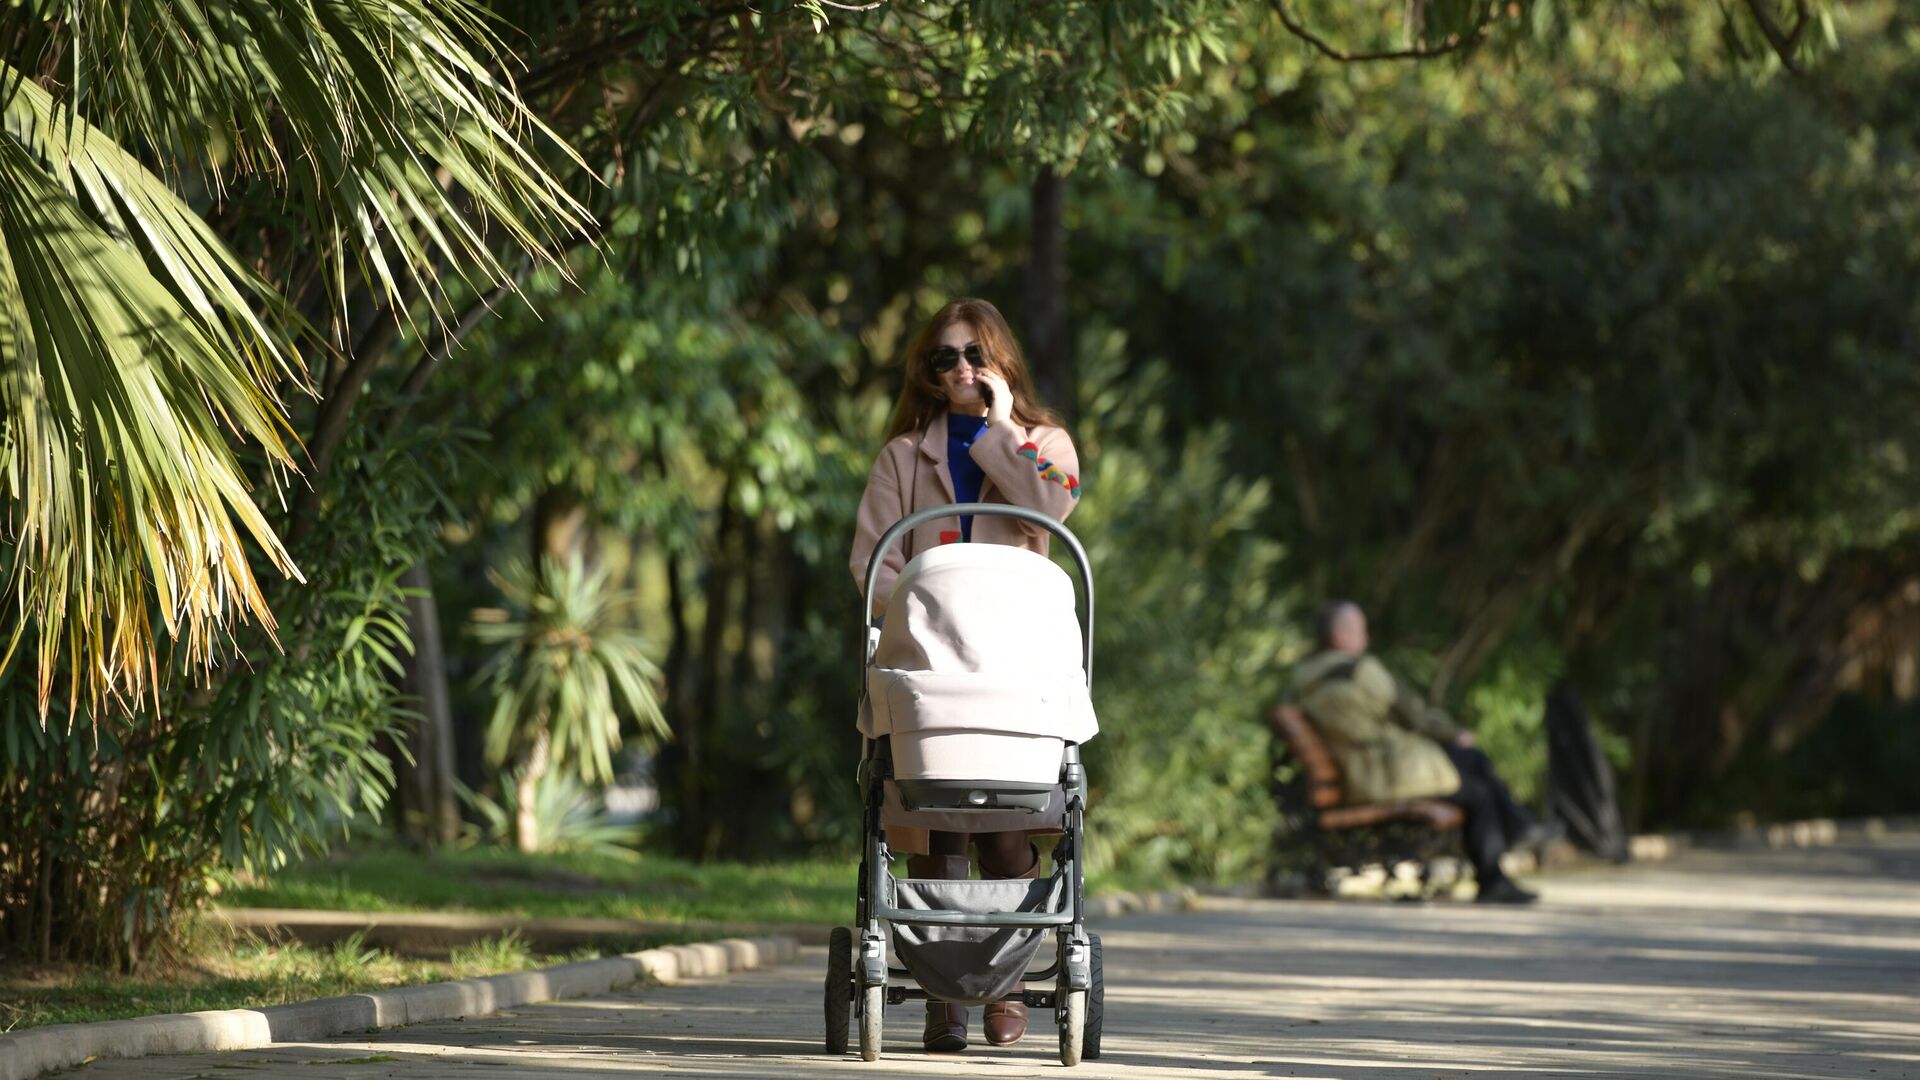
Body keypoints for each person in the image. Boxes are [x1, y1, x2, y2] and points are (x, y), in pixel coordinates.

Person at [848, 297, 1083, 1052]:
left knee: (1009, 830)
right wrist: (929, 607)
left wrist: (1005, 426)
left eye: (975, 356)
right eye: (945, 358)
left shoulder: (1045, 443)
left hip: (1012, 669)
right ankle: (945, 1002)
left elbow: (1054, 503)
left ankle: (1005, 984)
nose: (960, 370)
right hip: (929, 661)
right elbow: (873, 565)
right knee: (937, 825)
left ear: (1001, 363)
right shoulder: (902, 457)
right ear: (927, 370)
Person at [1289, 600, 1547, 904]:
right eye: (1361, 630)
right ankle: (1508, 851)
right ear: (1340, 636)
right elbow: (1413, 714)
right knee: (1476, 780)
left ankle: (1519, 830)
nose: (1367, 637)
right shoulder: (1360, 671)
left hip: (1357, 775)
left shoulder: (1302, 679)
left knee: (1474, 775)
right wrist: (1454, 734)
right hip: (1388, 772)